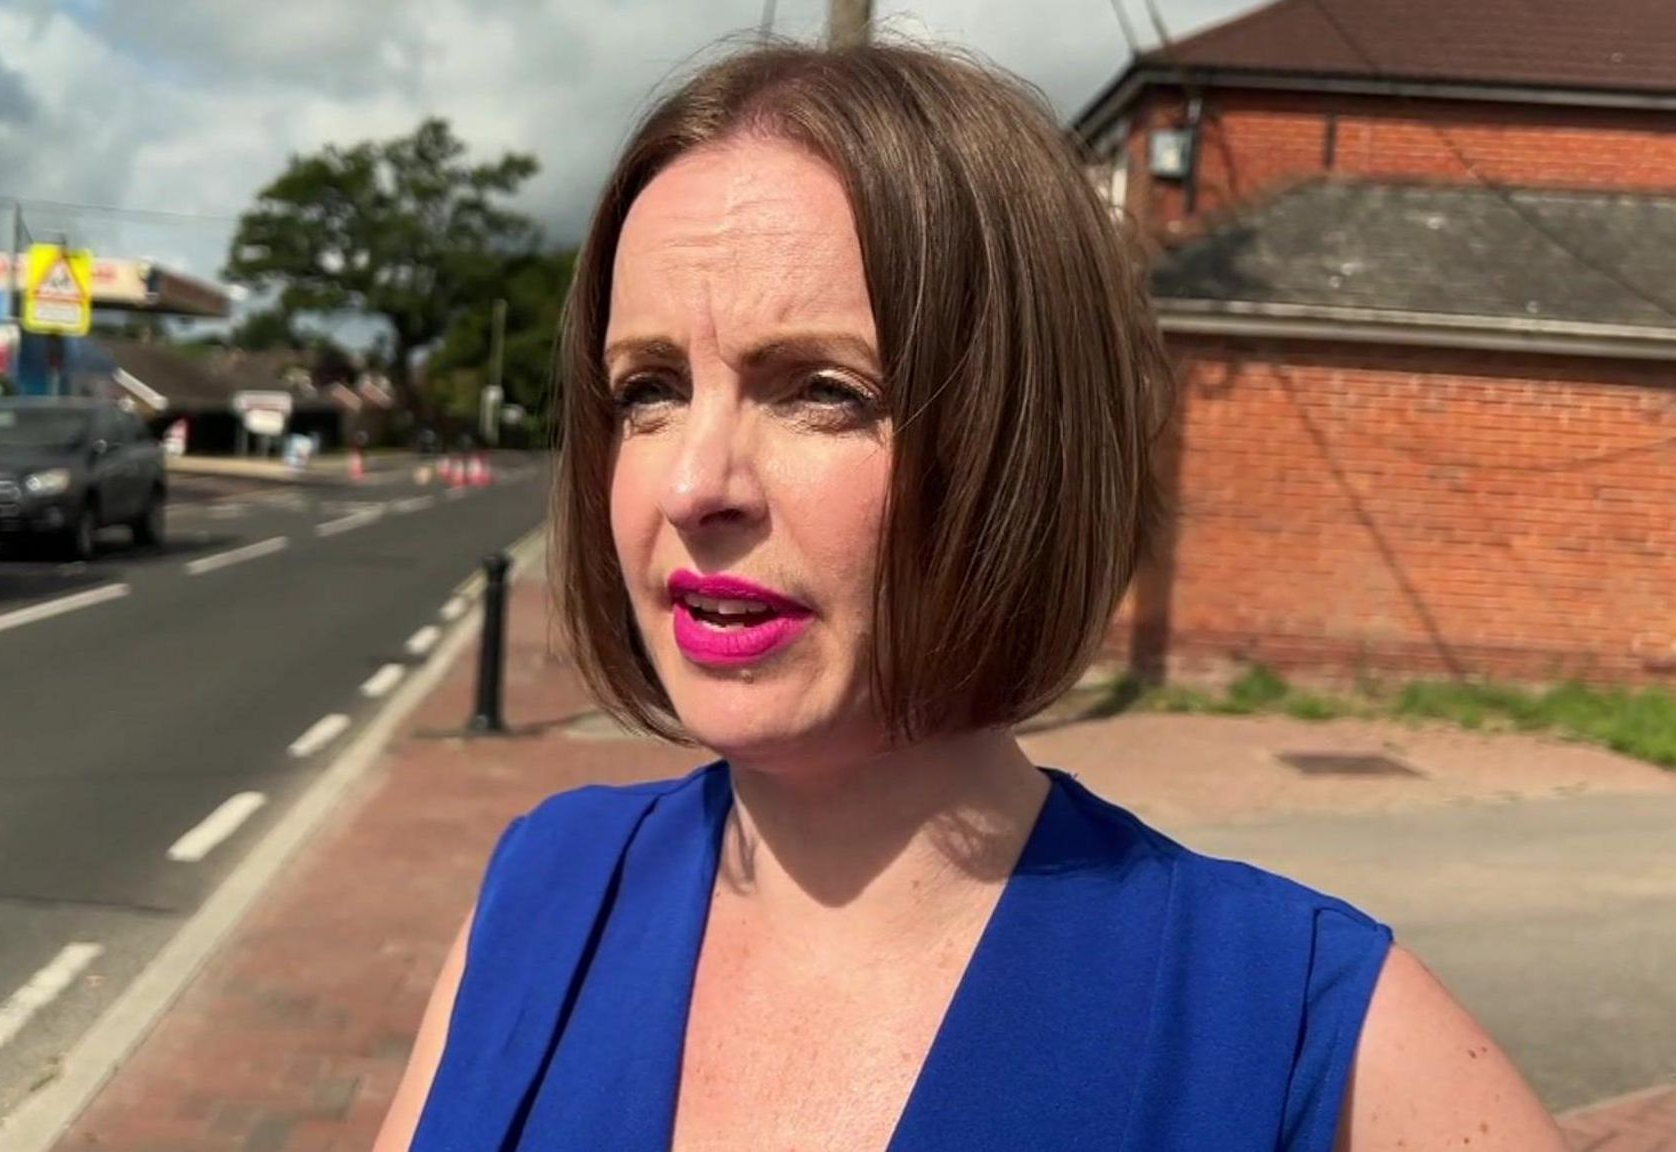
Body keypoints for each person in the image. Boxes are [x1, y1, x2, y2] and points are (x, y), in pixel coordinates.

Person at [375, 39, 1567, 1152]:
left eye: (822, 391)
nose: (693, 485)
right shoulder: (542, 891)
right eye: (648, 389)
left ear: (1020, 438)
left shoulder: (1298, 1026)